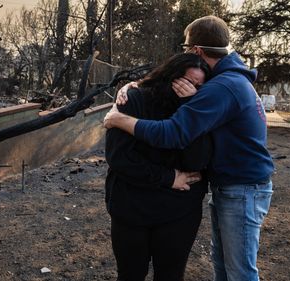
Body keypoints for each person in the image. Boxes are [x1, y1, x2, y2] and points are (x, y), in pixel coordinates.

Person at [104, 16, 274, 281]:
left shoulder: (221, 86)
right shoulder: (226, 79)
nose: (194, 87)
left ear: (196, 50)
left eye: (185, 48)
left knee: (239, 272)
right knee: (225, 266)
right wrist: (134, 85)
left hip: (241, 189)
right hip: (235, 186)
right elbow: (120, 155)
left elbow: (174, 133)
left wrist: (119, 119)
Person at [105, 53, 212, 281]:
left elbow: (197, 162)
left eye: (198, 86)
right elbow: (119, 157)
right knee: (130, 275)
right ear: (171, 75)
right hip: (132, 207)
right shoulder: (134, 100)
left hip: (179, 211)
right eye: (186, 82)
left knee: (170, 276)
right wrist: (168, 177)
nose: (190, 89)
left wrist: (189, 106)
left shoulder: (198, 110)